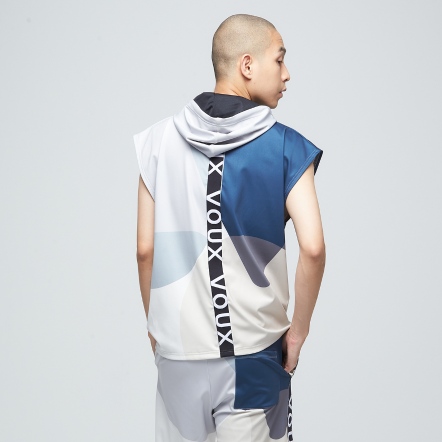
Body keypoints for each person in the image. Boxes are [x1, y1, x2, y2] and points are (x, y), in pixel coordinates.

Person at [134, 13, 326, 442]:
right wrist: (297, 334)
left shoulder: (156, 143)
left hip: (178, 356)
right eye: (280, 59)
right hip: (255, 358)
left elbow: (145, 250)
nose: (287, 74)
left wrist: (157, 330)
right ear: (247, 65)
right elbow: (313, 248)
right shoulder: (286, 147)